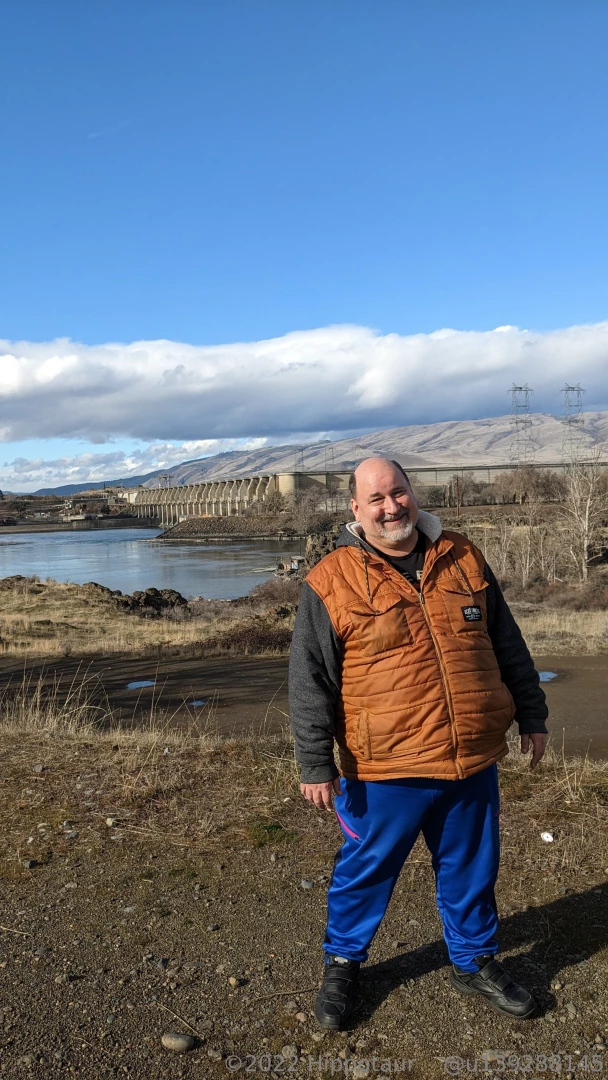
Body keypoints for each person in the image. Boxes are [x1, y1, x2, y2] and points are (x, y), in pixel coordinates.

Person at [288, 457, 548, 1030]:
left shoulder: (463, 556)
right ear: (355, 509)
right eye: (376, 499)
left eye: (398, 493)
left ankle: (473, 959)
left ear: (413, 493)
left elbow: (508, 644)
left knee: (471, 866)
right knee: (366, 870)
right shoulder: (330, 580)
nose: (391, 507)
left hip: (471, 755)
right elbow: (310, 679)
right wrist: (315, 763)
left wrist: (532, 713)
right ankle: (343, 964)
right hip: (385, 765)